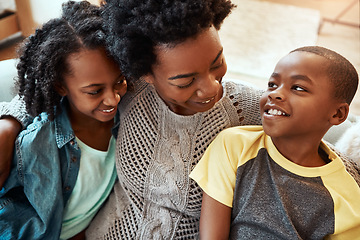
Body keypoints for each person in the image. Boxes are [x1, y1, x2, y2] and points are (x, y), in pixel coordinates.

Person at [0, 1, 359, 239]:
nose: (210, 87)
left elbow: (311, 138)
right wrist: (9, 124)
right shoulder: (127, 93)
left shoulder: (248, 108)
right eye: (185, 81)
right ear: (144, 75)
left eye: (217, 61)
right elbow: (55, 84)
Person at [190, 46, 360, 239]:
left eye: (298, 88)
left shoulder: (349, 198)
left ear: (337, 114)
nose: (274, 94)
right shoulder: (234, 145)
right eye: (272, 84)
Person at [0, 1, 127, 239]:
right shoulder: (34, 143)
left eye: (119, 81)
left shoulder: (128, 114)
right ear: (60, 86)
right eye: (94, 91)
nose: (112, 99)